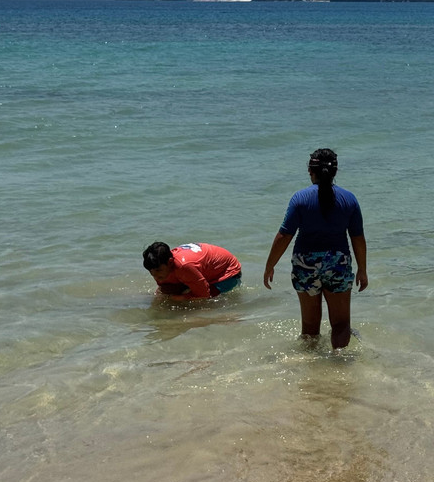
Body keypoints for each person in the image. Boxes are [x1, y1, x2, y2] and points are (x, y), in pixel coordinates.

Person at [263, 148, 367, 348]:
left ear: (311, 170)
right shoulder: (349, 199)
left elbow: (284, 235)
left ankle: (310, 370)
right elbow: (358, 238)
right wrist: (362, 269)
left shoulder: (300, 198)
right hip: (338, 263)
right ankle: (339, 366)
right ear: (335, 172)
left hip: (305, 264)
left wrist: (270, 265)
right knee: (341, 324)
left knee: (310, 327)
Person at [142, 241, 242, 300]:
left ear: (170, 262)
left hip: (227, 273)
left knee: (205, 302)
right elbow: (164, 288)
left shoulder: (184, 266)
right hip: (200, 270)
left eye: (158, 271)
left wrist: (179, 299)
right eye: (152, 273)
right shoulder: (160, 264)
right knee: (166, 291)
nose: (156, 277)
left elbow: (204, 295)